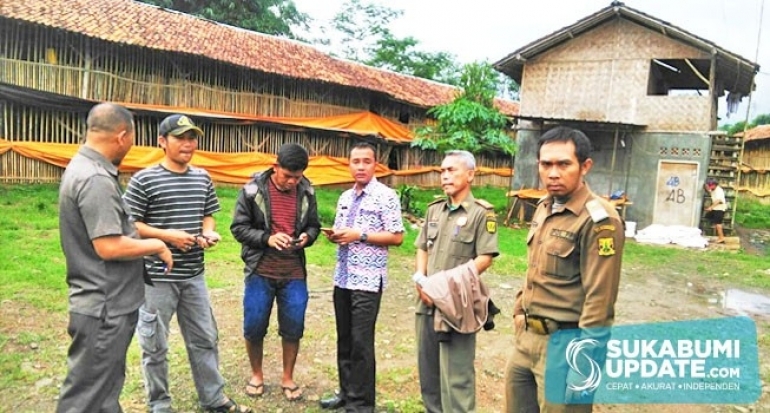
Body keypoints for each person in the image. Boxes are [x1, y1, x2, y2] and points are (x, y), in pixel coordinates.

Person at [123, 114, 252, 413]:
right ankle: (159, 404)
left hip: (194, 274)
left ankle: (213, 398)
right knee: (155, 344)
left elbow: (208, 214)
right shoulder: (144, 179)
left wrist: (208, 233)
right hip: (155, 277)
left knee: (204, 338)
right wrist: (168, 235)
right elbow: (129, 224)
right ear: (162, 141)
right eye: (180, 137)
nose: (187, 143)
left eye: (191, 137)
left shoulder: (202, 177)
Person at [57, 103, 173, 413]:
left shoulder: (83, 167)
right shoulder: (95, 178)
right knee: (85, 398)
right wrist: (157, 244)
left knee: (103, 391)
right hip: (105, 306)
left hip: (103, 302)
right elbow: (108, 246)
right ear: (122, 136)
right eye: (133, 138)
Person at [504, 126, 625, 413]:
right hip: (527, 338)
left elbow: (600, 299)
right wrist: (519, 309)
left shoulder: (599, 220)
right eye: (546, 164)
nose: (553, 173)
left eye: (563, 164)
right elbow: (535, 267)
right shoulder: (545, 206)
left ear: (585, 166)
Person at [230, 143, 320, 402]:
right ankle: (257, 374)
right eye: (287, 176)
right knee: (254, 325)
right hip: (260, 270)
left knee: (293, 326)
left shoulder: (307, 192)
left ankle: (288, 377)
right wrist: (267, 239)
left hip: (294, 273)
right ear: (275, 167)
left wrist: (307, 237)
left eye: (297, 177)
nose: (292, 182)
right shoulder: (252, 190)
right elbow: (238, 228)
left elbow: (314, 225)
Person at [319, 143, 405, 412]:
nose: (360, 166)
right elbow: (344, 231)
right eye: (355, 161)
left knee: (361, 343)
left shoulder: (386, 196)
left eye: (366, 161)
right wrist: (336, 235)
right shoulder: (345, 197)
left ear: (375, 164)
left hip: (367, 281)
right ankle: (346, 393)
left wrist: (361, 235)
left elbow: (397, 237)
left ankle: (361, 405)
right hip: (343, 277)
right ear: (349, 164)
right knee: (344, 338)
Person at [413, 150, 499, 413]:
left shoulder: (481, 213)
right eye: (442, 171)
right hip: (426, 301)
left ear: (470, 175)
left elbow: (485, 258)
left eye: (452, 170)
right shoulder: (434, 209)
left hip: (457, 304)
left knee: (457, 378)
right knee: (429, 373)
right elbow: (422, 247)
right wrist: (421, 279)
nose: (445, 176)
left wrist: (443, 286)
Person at [704, 177, 727, 243]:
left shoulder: (718, 190)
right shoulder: (713, 189)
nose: (709, 187)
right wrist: (706, 187)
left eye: (709, 185)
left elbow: (718, 201)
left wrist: (711, 207)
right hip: (716, 208)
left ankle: (721, 238)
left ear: (714, 185)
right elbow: (709, 191)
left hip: (720, 208)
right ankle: (717, 233)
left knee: (718, 224)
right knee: (708, 216)